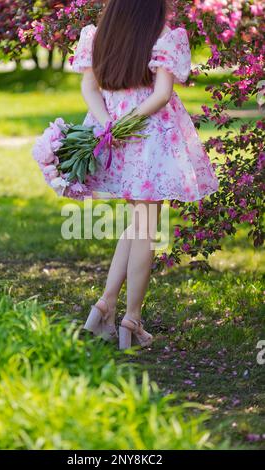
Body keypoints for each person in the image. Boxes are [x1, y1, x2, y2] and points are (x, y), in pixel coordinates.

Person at [71, 0, 219, 349]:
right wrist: (126, 123)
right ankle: (131, 320)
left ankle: (105, 307)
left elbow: (90, 87)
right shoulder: (162, 36)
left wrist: (108, 122)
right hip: (150, 137)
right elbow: (162, 94)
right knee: (146, 229)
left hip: (119, 136)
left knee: (137, 224)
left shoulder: (100, 36)